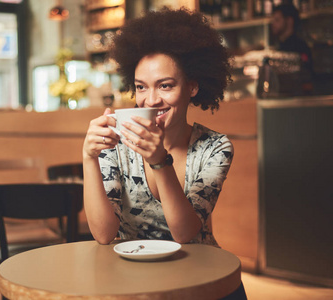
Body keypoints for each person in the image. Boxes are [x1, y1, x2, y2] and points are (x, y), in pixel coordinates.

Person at [82, 8, 234, 247]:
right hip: (134, 275)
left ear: (192, 87)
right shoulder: (117, 144)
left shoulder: (215, 148)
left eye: (165, 86)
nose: (150, 100)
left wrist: (159, 161)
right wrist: (89, 157)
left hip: (199, 272)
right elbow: (103, 235)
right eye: (141, 87)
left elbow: (185, 234)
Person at [271, 3, 313, 93]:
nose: (273, 24)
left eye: (277, 20)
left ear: (289, 21)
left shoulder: (300, 47)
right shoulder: (279, 47)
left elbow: (307, 81)